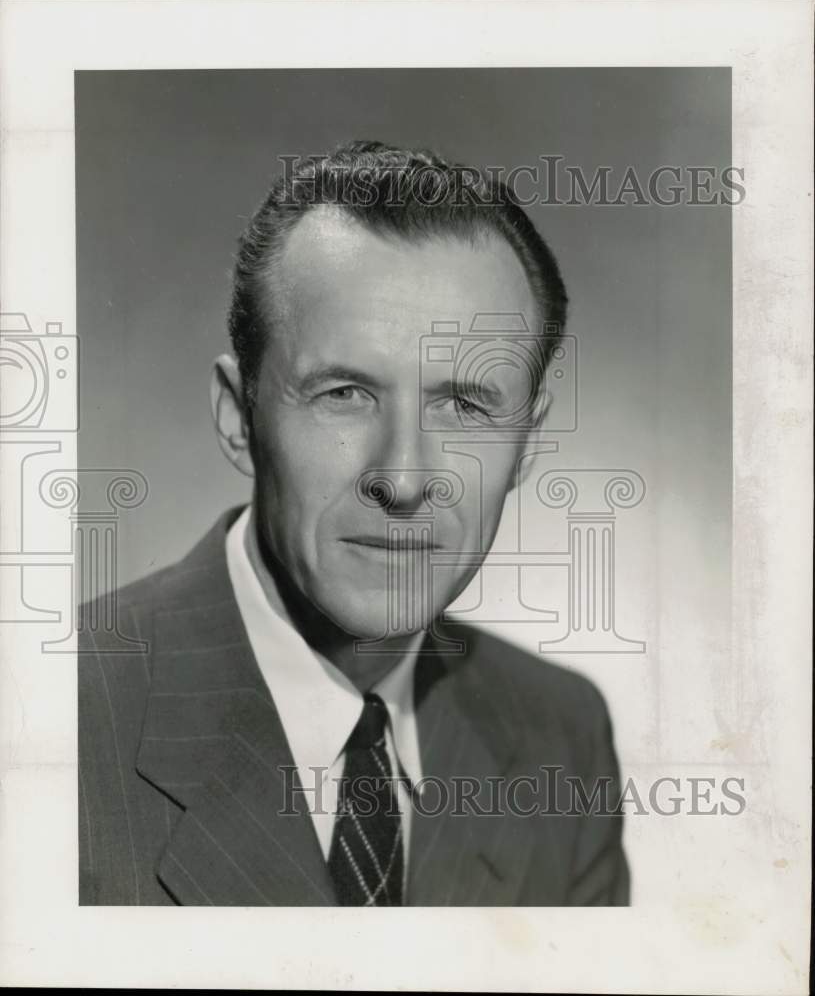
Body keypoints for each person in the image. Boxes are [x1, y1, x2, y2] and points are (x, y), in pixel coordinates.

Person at [79, 141, 629, 906]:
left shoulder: (558, 735)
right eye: (344, 393)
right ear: (240, 417)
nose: (402, 479)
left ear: (526, 444)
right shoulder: (51, 714)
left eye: (464, 405)